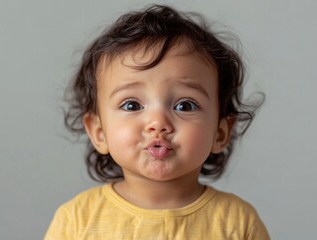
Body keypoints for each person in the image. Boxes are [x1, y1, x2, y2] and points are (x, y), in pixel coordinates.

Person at [45, 4, 270, 239]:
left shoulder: (239, 222)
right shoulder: (77, 220)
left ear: (219, 133)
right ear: (99, 133)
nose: (158, 122)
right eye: (132, 105)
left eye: (185, 105)